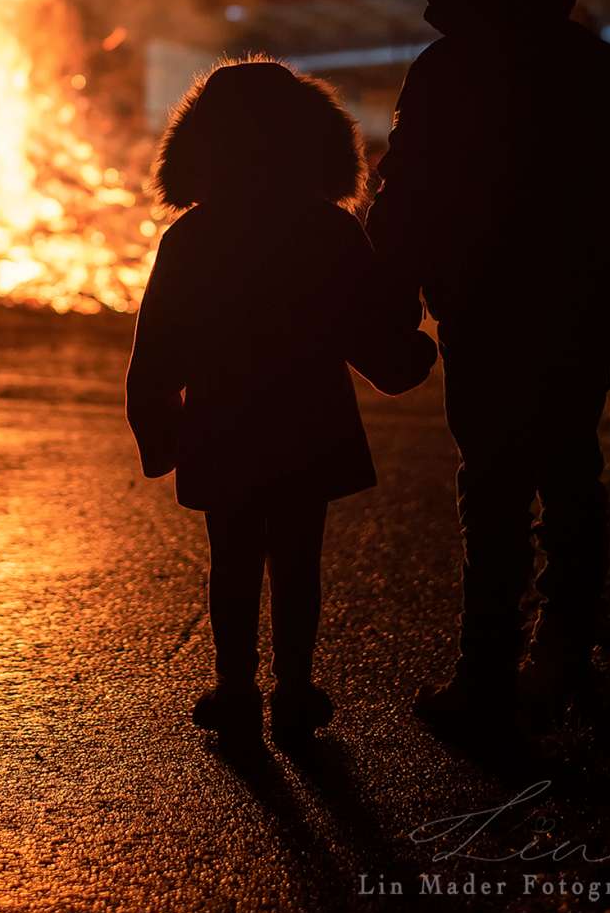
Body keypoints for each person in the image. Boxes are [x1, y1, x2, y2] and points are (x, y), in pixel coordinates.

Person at [366, 0, 610, 736]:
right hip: (577, 317)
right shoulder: (607, 74)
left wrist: (394, 298)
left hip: (485, 314)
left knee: (492, 488)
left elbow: (409, 196)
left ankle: (486, 671)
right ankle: (565, 651)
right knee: (572, 471)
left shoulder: (448, 72)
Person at [125, 58, 437, 749]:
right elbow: (368, 333)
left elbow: (158, 346)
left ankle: (235, 686)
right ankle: (295, 689)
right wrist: (408, 358)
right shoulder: (325, 231)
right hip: (306, 423)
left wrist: (158, 426)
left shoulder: (191, 238)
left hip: (222, 424)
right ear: (309, 141)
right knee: (298, 557)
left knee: (231, 557)